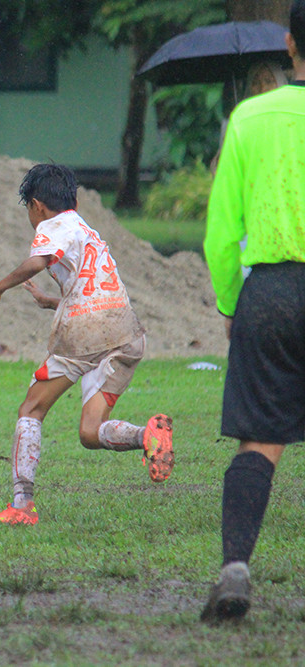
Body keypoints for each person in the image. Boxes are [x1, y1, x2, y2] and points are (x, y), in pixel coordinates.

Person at [0, 163, 174, 526]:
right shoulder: (85, 228)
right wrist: (53, 301)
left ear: (36, 206)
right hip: (126, 330)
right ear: (74, 199)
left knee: (31, 410)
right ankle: (148, 437)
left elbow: (37, 261)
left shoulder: (52, 225)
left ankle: (22, 506)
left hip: (84, 334)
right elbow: (92, 287)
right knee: (90, 432)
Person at [200, 1, 305, 624]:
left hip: (270, 293)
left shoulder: (252, 116)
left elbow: (221, 233)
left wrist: (232, 302)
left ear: (291, 44)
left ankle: (235, 565)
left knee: (260, 440)